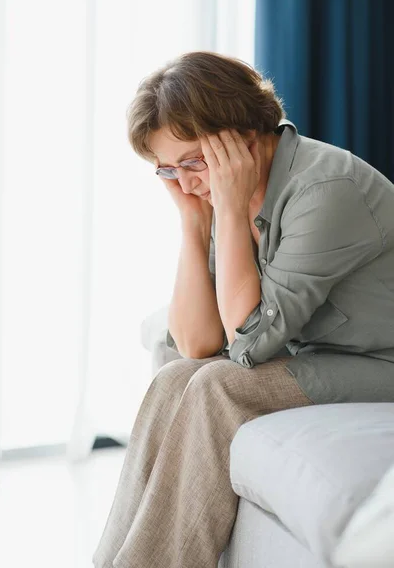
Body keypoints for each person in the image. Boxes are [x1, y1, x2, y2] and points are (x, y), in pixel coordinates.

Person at [92, 51, 394, 568]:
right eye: (168, 169)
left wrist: (226, 211)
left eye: (194, 162)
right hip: (318, 355)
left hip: (382, 363)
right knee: (176, 377)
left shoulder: (325, 189)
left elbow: (250, 343)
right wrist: (192, 225)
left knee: (218, 385)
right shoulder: (224, 191)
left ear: (244, 139)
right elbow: (197, 343)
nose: (186, 182)